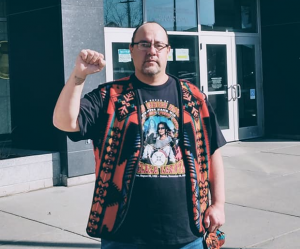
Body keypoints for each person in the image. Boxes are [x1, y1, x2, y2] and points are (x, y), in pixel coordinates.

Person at [53, 21, 226, 249]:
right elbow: (64, 122)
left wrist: (219, 204)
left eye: (158, 45)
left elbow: (211, 153)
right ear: (131, 49)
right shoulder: (110, 97)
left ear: (168, 51)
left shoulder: (194, 98)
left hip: (188, 232)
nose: (151, 50)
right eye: (143, 44)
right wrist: (78, 76)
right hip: (123, 235)